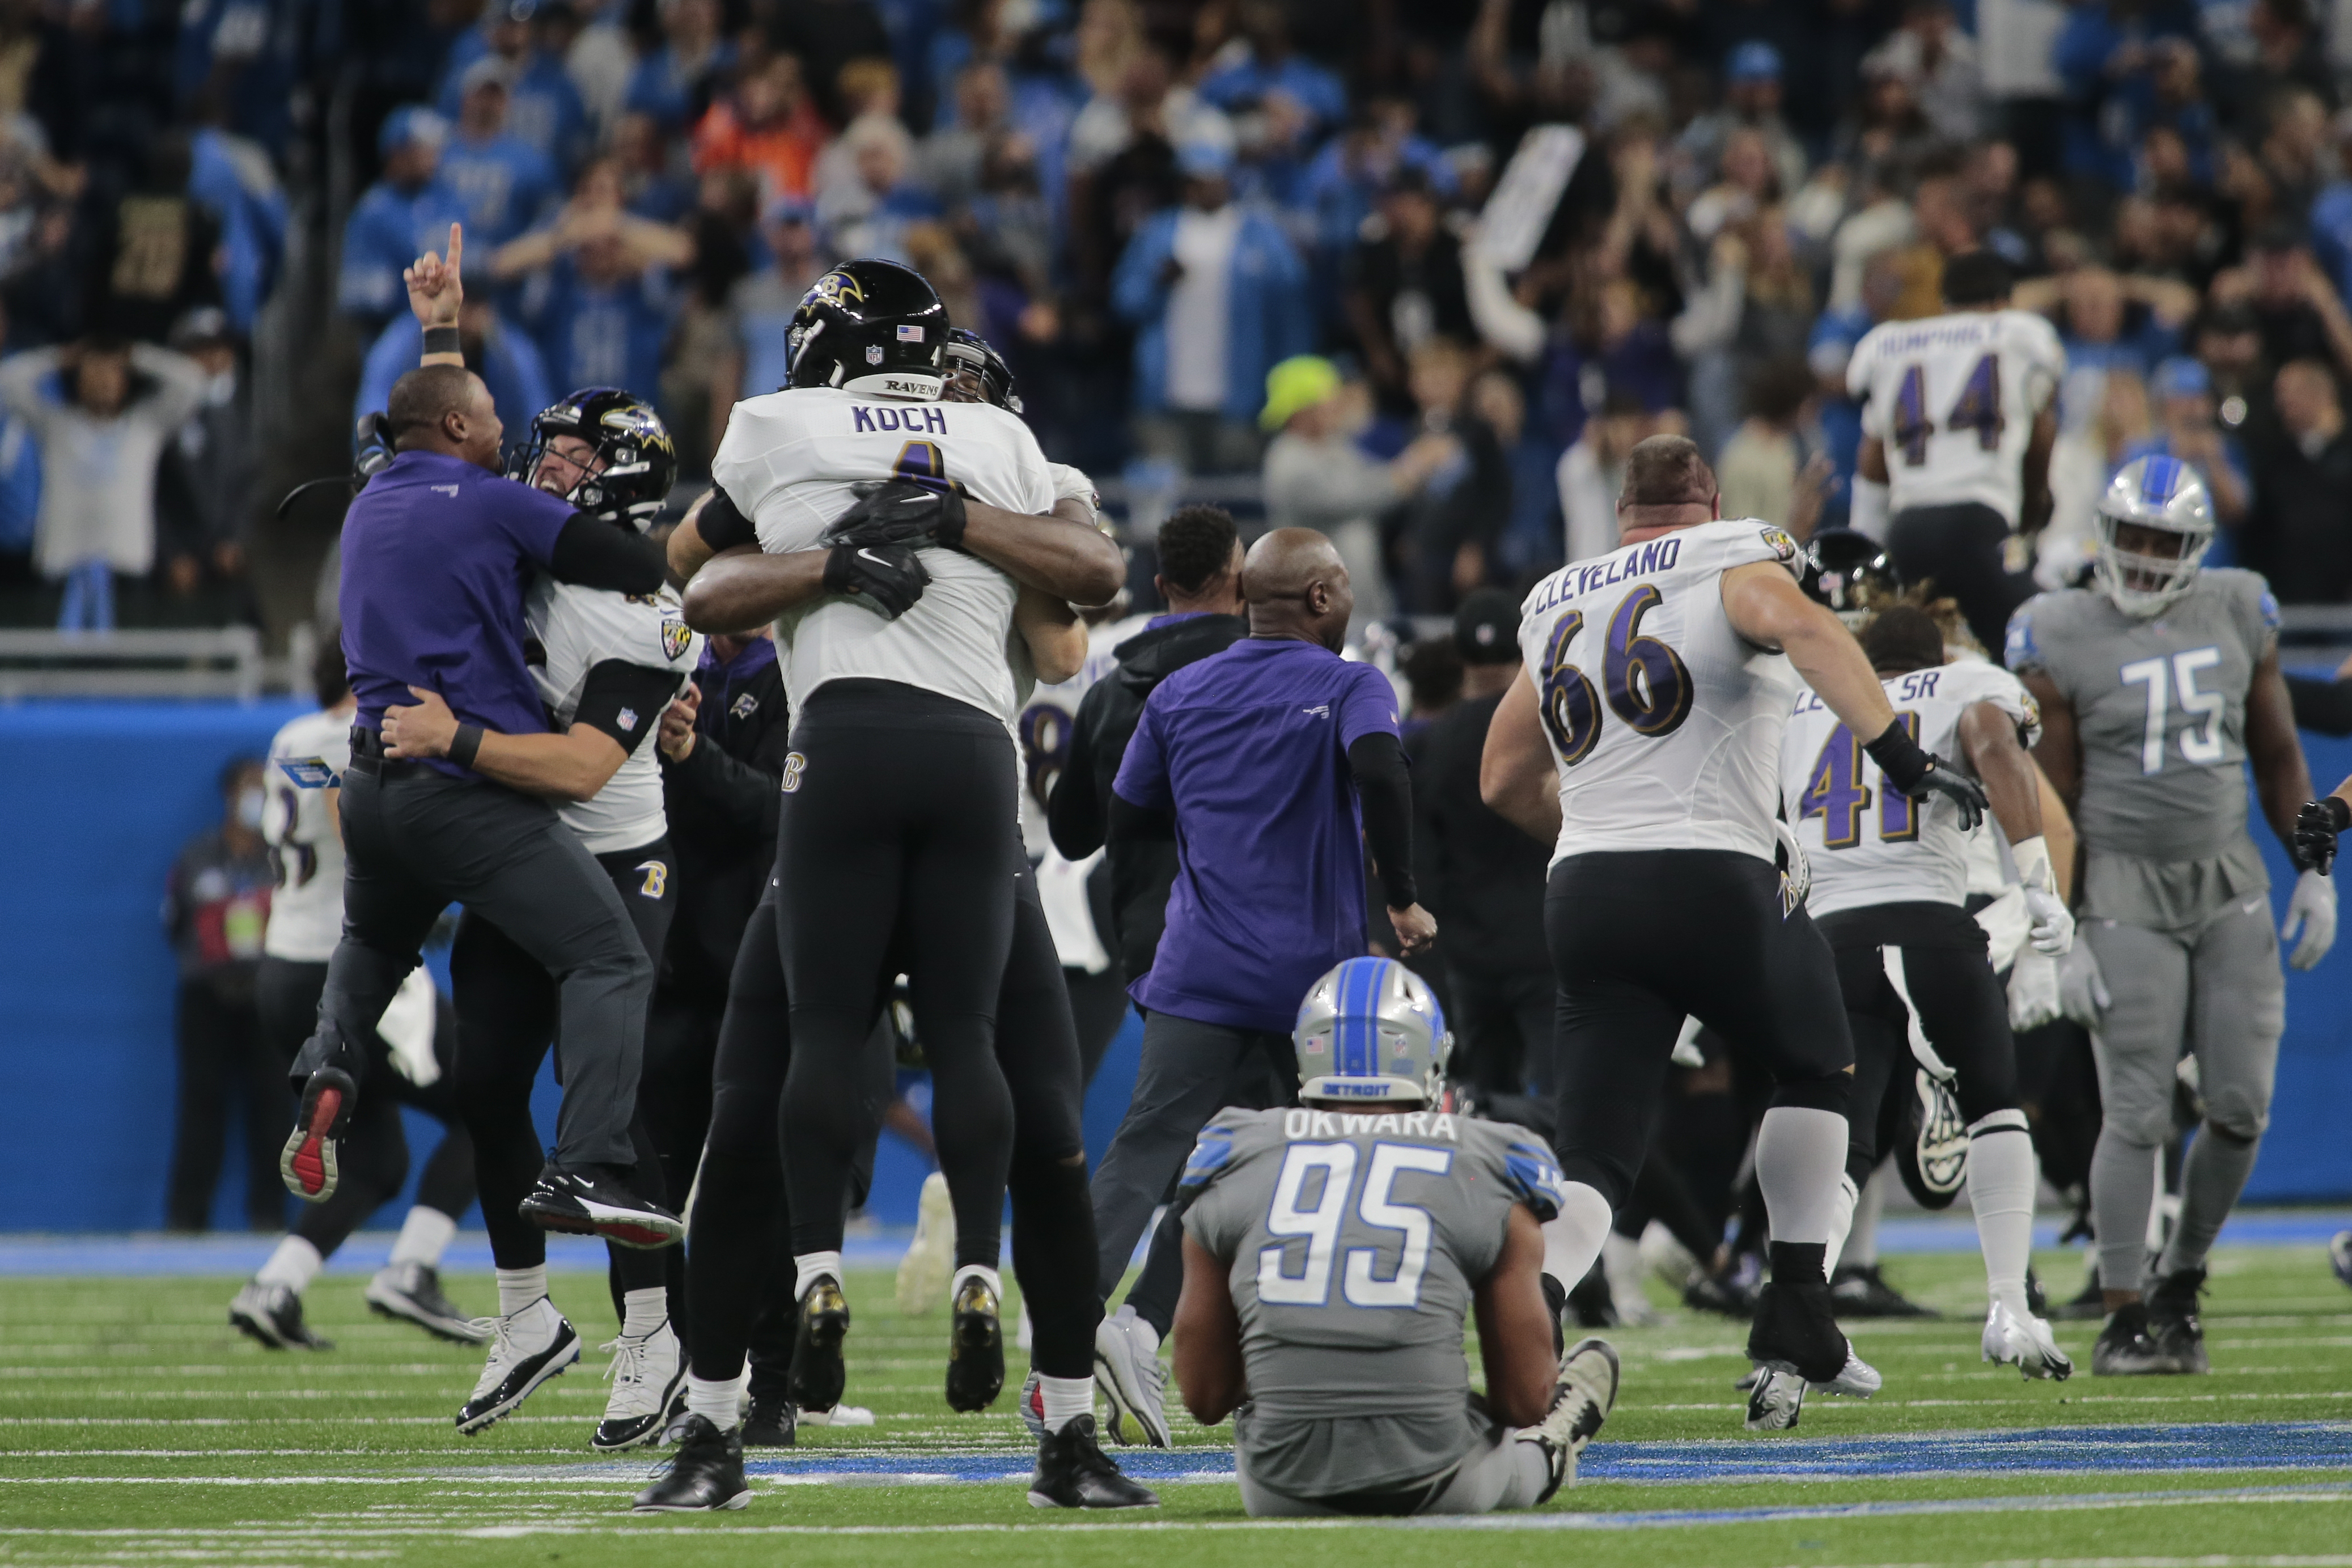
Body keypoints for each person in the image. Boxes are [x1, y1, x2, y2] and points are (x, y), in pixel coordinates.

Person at [642, 270, 1145, 1511]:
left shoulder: (778, 426)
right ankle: (1052, 1404)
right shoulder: (1007, 446)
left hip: (840, 760)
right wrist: (963, 520)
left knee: (767, 1085)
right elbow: (1089, 591)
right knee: (1036, 1115)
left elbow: (689, 581)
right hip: (981, 782)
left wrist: (832, 556)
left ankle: (730, 1406)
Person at [1478, 435, 1988, 1431]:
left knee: (1593, 1154)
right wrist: (1900, 758)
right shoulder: (1728, 556)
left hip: (1582, 888)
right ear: (1706, 500)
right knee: (1820, 1062)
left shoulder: (1553, 600)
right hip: (1713, 868)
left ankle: (1526, 1317)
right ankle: (1796, 1301)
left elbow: (1500, 776)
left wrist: (1602, 840)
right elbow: (1801, 627)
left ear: (1620, 511)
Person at [276, 224, 680, 1258]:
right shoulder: (499, 504)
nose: (516, 442)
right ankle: (589, 1160)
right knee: (607, 958)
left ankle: (328, 1069)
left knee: (373, 941)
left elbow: (426, 420)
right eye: (496, 421)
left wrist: (441, 327)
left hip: (371, 777)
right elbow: (626, 560)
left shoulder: (369, 493)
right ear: (460, 428)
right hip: (458, 785)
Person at [381, 387, 701, 1447]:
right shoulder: (511, 533)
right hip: (520, 857)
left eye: (571, 454)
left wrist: (456, 741)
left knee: (608, 1115)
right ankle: (525, 1317)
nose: (548, 466)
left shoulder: (645, 611)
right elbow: (440, 437)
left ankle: (652, 1335)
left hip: (610, 860)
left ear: (623, 471)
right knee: (482, 1085)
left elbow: (578, 768)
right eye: (547, 448)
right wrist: (443, 328)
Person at [1084, 528, 1438, 1447]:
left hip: (1195, 966)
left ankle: (1078, 1325)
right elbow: (1378, 770)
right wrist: (1399, 897)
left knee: (1147, 1150)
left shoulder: (1176, 690)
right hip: (1308, 989)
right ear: (1320, 598)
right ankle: (1235, 1355)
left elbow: (1124, 819)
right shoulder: (1349, 683)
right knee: (1295, 1175)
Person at [2008, 455, 2330, 1378]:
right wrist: (2060, 926)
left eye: (2164, 542)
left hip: (2226, 883)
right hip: (2120, 888)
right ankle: (2119, 1313)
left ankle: (2179, 1281)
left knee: (2237, 1107)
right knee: (2136, 1109)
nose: (2145, 558)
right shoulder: (2056, 629)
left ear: (2195, 548)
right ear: (2102, 536)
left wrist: (2312, 870)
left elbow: (2274, 756)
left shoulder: (2236, 605)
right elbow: (2052, 789)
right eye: (2132, 538)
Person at [1171, 956, 1620, 1518]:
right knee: (1523, 1448)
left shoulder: (1232, 1150)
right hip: (1436, 1480)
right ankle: (1547, 1456)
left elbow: (1204, 1395)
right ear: (1430, 1054)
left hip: (1277, 1488)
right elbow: (1523, 1397)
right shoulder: (1489, 1157)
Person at [1779, 603, 2076, 1380]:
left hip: (1827, 941)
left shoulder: (1798, 702)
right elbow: (1989, 737)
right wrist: (2039, 884)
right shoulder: (1962, 683)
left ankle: (1796, 1327)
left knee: (1846, 1144)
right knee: (1995, 1103)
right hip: (1927, 924)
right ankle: (2009, 1304)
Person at [231, 642, 484, 1353]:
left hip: (282, 971)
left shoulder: (292, 738)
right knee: (482, 1109)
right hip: (350, 976)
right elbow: (360, 829)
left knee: (376, 1161)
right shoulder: (353, 740)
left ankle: (275, 1286)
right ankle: (412, 1268)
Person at [1846, 249, 2064, 653]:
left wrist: (1867, 562)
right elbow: (2042, 434)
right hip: (1978, 524)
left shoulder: (1888, 344)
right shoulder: (2019, 333)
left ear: (1944, 304)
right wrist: (2033, 509)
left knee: (1912, 662)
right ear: (2003, 302)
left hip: (1906, 531)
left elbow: (1872, 463)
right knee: (2039, 649)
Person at [1410, 589, 1551, 1103]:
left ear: (1459, 656)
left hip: (1472, 958)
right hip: (1550, 945)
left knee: (1480, 1105)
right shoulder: (1555, 728)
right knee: (1560, 1110)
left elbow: (1422, 870)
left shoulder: (1429, 745)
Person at [0, 336, 208, 631]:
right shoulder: (56, 425)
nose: (102, 381)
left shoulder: (144, 427)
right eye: (93, 373)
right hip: (62, 567)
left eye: (110, 373)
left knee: (124, 671)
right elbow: (8, 382)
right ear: (79, 380)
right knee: (56, 670)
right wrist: (59, 357)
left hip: (127, 569)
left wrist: (138, 356)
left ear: (125, 380)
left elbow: (193, 382)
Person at [162, 756, 278, 1234]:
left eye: (264, 788)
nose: (258, 797)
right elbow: (174, 924)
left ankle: (269, 1215)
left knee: (272, 1105)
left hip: (268, 996)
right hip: (208, 995)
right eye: (250, 788)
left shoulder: (281, 858)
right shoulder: (198, 857)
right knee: (202, 1104)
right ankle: (186, 1219)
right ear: (230, 795)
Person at [1258, 354, 1458, 625]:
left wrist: (1412, 466)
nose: (1337, 405)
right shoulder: (1289, 463)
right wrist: (1416, 465)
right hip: (1314, 608)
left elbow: (1371, 473)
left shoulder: (1332, 446)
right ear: (1304, 409)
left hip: (1354, 602)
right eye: (1328, 399)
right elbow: (1359, 495)